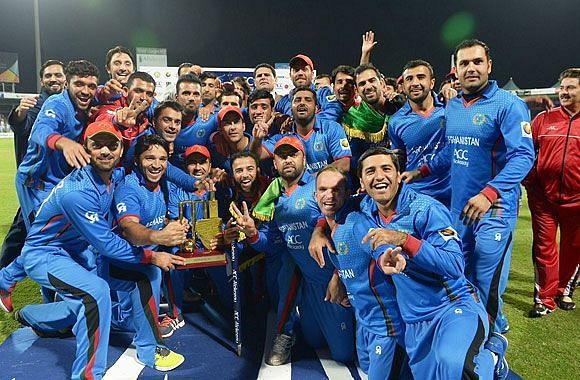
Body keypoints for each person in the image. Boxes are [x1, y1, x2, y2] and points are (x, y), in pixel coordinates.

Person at [14, 121, 186, 378]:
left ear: (120, 151)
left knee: (127, 286)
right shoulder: (88, 189)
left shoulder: (120, 177)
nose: (105, 151)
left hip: (88, 252)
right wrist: (154, 248)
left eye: (112, 145)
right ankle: (90, 374)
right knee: (98, 295)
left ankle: (30, 315)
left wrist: (196, 185)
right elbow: (118, 236)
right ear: (86, 148)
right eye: (98, 145)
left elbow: (163, 172)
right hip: (64, 254)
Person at [405, 39, 535, 334]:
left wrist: (489, 194)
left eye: (477, 62)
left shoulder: (509, 105)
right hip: (459, 208)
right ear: (456, 70)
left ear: (489, 65)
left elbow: (524, 156)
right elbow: (451, 152)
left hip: (495, 209)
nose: (471, 68)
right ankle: (472, 329)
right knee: (456, 273)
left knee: (486, 280)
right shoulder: (453, 107)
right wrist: (420, 171)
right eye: (464, 63)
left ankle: (491, 337)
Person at [358, 147, 508, 379]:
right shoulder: (365, 210)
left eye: (386, 169)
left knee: (455, 367)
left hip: (452, 308)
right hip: (414, 321)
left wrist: (405, 240)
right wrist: (319, 227)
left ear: (399, 175)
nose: (378, 176)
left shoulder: (426, 208)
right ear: (361, 181)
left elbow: (454, 265)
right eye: (370, 171)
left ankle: (492, 354)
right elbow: (333, 201)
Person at [233, 137, 355, 366]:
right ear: (275, 164)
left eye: (293, 154)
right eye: (282, 156)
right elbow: (270, 245)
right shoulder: (274, 199)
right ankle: (287, 331)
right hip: (310, 287)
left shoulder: (317, 186)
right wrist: (252, 233)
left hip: (334, 281)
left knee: (343, 355)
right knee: (313, 341)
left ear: (304, 158)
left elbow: (345, 211)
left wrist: (320, 230)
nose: (288, 159)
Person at [1, 60, 100, 311]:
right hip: (36, 183)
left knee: (69, 241)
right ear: (67, 84)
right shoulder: (57, 103)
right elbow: (39, 132)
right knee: (44, 242)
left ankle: (51, 303)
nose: (86, 90)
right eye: (79, 84)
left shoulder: (89, 106)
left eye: (91, 85)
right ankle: (4, 281)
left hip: (58, 184)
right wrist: (64, 143)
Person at [313, 166, 410, 379]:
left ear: (348, 193)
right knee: (365, 370)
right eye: (323, 189)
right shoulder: (331, 226)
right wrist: (338, 276)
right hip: (363, 321)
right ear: (315, 195)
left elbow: (375, 244)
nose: (329, 196)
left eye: (337, 190)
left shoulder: (355, 222)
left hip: (387, 327)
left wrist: (386, 256)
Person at [111, 134, 189, 334]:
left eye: (162, 159)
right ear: (137, 160)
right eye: (149, 158)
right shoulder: (129, 188)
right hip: (126, 261)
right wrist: (159, 237)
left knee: (174, 257)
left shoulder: (160, 185)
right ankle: (51, 311)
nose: (156, 165)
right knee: (132, 322)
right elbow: (130, 229)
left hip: (149, 260)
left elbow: (155, 219)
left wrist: (174, 226)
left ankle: (172, 311)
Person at [523, 67, 580, 316]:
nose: (563, 92)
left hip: (577, 201)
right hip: (543, 199)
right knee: (544, 248)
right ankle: (544, 299)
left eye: (570, 88)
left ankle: (563, 290)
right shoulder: (543, 119)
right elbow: (524, 153)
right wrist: (530, 181)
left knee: (574, 248)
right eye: (562, 87)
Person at [0, 60, 65, 271]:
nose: (53, 79)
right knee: (26, 227)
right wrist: (19, 113)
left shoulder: (71, 103)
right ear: (41, 80)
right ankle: (6, 272)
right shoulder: (35, 104)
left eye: (58, 75)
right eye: (48, 76)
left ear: (65, 78)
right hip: (37, 181)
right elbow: (22, 123)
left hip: (60, 178)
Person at [389, 59, 450, 206]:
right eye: (409, 79)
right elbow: (400, 158)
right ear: (403, 86)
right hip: (417, 194)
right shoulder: (396, 121)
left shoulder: (450, 108)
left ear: (432, 83)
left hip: (452, 192)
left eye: (421, 77)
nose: (415, 83)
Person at [252, 86, 352, 175]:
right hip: (299, 193)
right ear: (291, 108)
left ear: (316, 108)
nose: (302, 103)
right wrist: (257, 139)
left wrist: (308, 182)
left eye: (308, 100)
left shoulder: (332, 128)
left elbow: (343, 164)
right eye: (297, 100)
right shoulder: (284, 136)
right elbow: (257, 155)